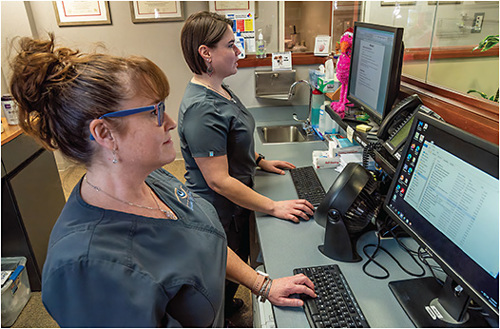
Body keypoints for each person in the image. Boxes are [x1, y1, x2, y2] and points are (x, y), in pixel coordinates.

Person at [9, 34, 316, 327]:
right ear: (104, 133)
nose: (170, 123)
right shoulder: (86, 268)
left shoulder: (152, 180)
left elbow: (205, 243)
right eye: (155, 112)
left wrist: (264, 285)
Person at [178, 11, 315, 315]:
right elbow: (218, 180)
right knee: (218, 274)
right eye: (230, 45)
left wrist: (259, 159)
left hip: (236, 205)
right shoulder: (202, 108)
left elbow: (233, 138)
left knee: (232, 270)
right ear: (206, 53)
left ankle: (227, 306)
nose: (238, 51)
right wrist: (273, 206)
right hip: (219, 210)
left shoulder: (220, 89)